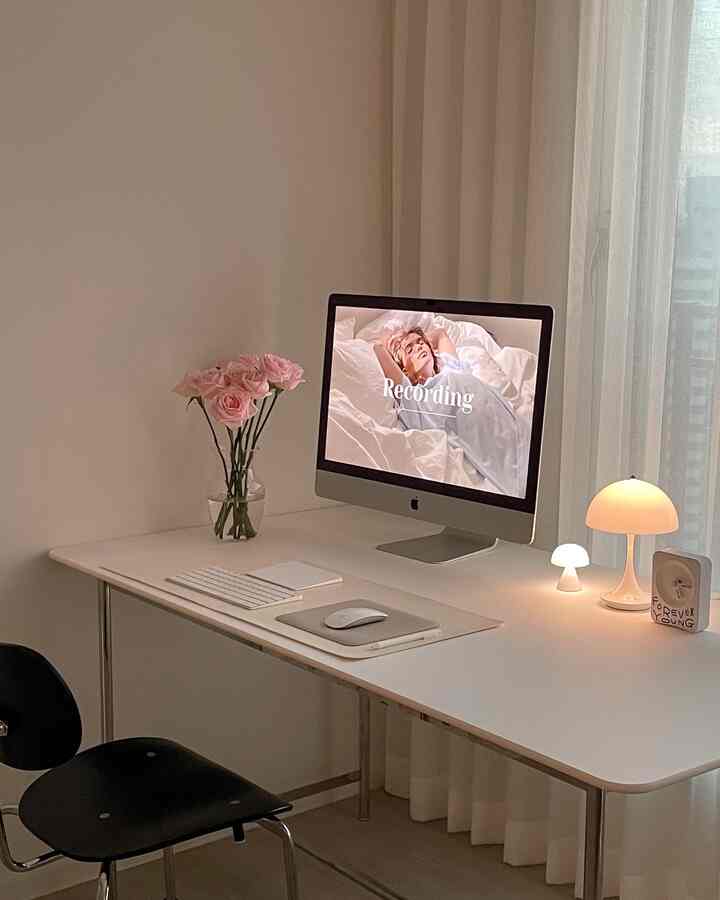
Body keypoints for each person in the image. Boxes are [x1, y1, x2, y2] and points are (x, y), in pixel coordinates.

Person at [373, 326, 529, 496]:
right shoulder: (413, 400)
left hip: (521, 429)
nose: (418, 347)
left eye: (420, 343)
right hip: (505, 458)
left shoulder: (452, 370)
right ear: (403, 370)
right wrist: (393, 342)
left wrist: (415, 338)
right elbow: (378, 349)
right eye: (410, 349)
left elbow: (441, 334)